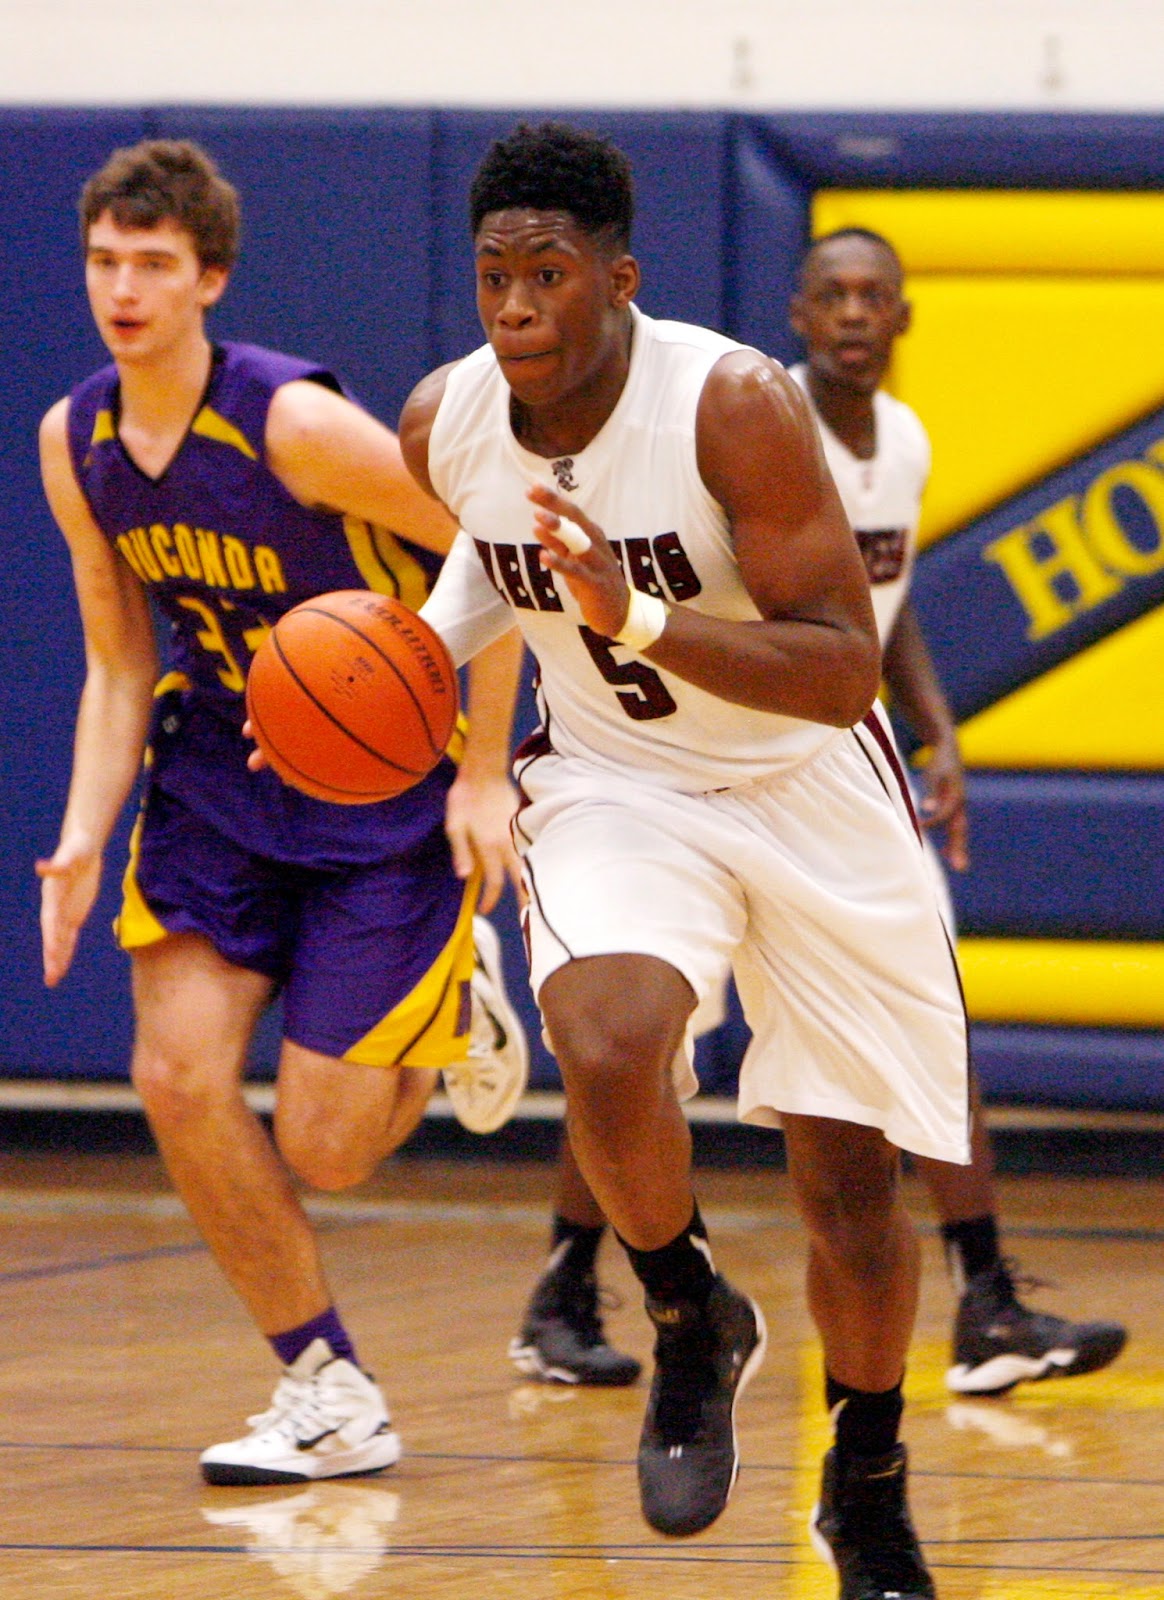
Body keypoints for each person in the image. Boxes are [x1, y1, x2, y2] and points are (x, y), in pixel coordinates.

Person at [401, 121, 970, 1597]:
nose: (517, 308)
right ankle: (688, 1308)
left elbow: (847, 667)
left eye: (549, 275)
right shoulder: (442, 420)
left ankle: (868, 1474)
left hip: (808, 789)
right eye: (493, 278)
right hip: (617, 782)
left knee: (850, 1187)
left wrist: (635, 617)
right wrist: (403, 663)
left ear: (621, 278)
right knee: (605, 1040)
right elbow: (481, 551)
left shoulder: (731, 403)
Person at [511, 225, 1128, 1405]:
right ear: (797, 314)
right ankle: (569, 1284)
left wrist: (935, 723)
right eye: (830, 294)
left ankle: (984, 1296)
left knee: (917, 1031)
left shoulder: (903, 441)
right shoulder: (752, 424)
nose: (851, 314)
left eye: (872, 296)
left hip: (830, 769)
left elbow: (871, 610)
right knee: (627, 1042)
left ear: (902, 318)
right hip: (679, 761)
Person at [36, 139, 528, 1488]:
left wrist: (484, 774)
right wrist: (82, 835)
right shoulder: (74, 441)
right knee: (175, 1075)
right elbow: (120, 660)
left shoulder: (293, 426)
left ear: (210, 280)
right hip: (217, 784)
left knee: (328, 1146)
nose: (124, 288)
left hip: (382, 784)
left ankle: (454, 1004)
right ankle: (324, 1385)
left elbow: (488, 546)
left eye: (153, 264)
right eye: (105, 261)